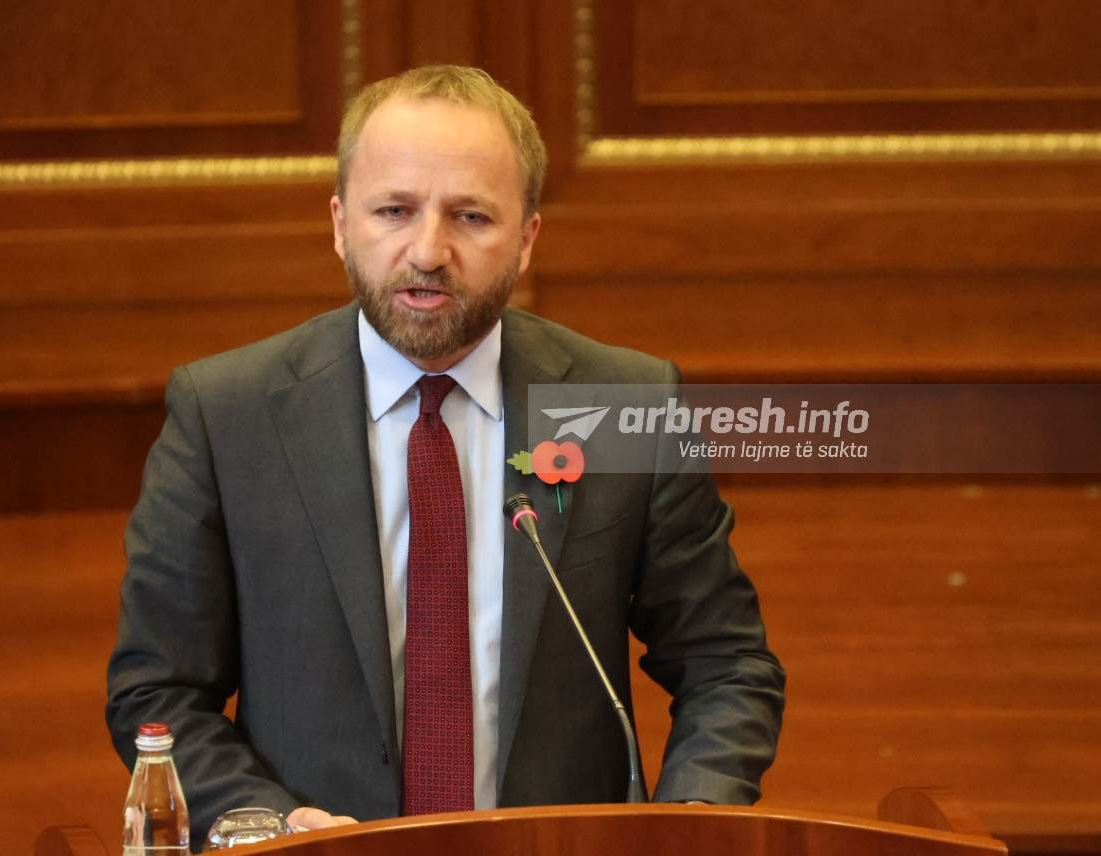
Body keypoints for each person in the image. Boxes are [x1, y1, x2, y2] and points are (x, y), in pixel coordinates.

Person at [107, 65, 785, 843]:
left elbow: (726, 663)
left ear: (526, 239)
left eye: (470, 216)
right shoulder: (227, 414)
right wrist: (277, 827)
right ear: (340, 223)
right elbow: (157, 693)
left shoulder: (624, 403)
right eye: (394, 210)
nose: (428, 251)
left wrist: (690, 825)